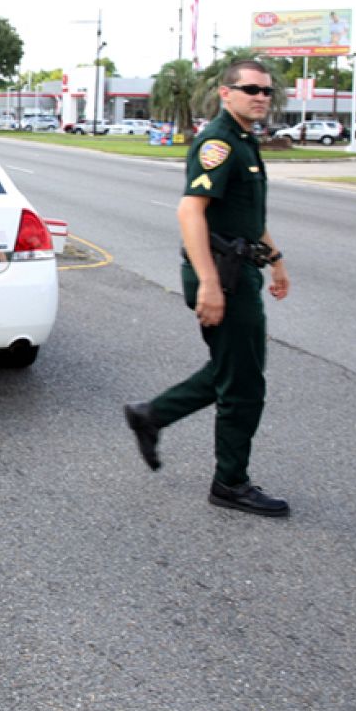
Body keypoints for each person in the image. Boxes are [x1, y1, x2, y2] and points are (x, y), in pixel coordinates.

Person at [123, 60, 292, 517]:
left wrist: (275, 261)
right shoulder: (218, 142)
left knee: (232, 369)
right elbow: (189, 213)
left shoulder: (243, 140)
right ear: (226, 93)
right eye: (251, 89)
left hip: (240, 269)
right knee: (244, 385)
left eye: (266, 92)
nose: (260, 97)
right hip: (221, 274)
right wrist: (211, 287)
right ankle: (230, 483)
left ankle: (151, 415)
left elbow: (248, 218)